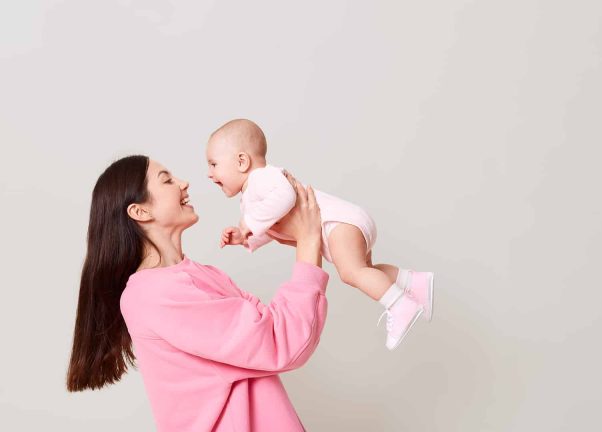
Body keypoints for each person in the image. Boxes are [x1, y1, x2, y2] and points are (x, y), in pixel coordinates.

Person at [66, 155, 327, 431]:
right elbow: (282, 341)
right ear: (140, 212)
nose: (184, 183)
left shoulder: (200, 274)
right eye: (167, 180)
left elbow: (274, 328)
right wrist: (308, 240)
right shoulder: (153, 295)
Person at [206, 118, 435, 350]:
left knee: (351, 273)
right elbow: (274, 223)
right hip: (346, 222)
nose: (209, 174)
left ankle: (400, 305)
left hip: (338, 224)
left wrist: (249, 222)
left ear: (242, 161)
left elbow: (285, 196)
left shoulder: (261, 178)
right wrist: (246, 236)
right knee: (365, 271)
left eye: (213, 164)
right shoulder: (253, 196)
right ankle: (414, 282)